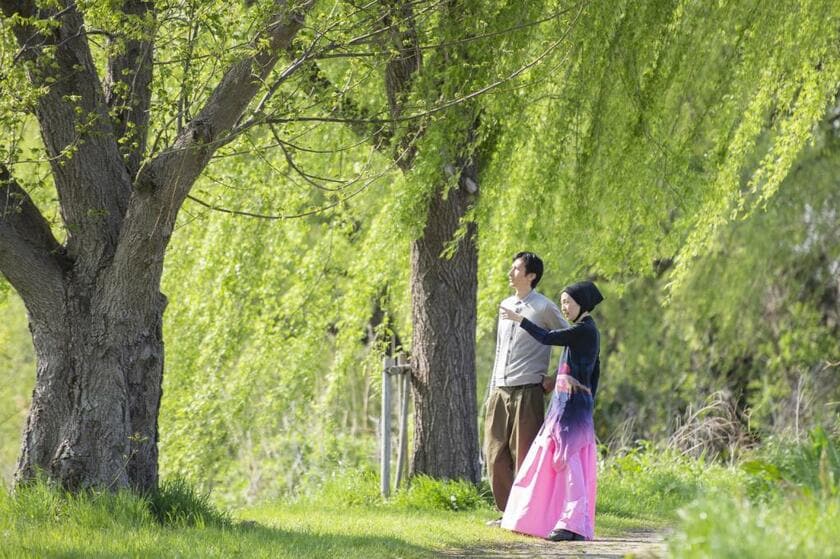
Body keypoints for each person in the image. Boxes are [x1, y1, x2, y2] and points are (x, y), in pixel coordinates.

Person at [498, 280, 603, 542]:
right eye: (563, 301)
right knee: (556, 459)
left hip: (572, 408)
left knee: (569, 462)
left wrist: (520, 319)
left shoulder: (584, 330)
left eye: (568, 302)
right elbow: (595, 372)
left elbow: (548, 337)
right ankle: (541, 517)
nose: (564, 307)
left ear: (583, 304)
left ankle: (574, 523)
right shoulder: (584, 331)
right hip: (567, 405)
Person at [485, 252, 567, 521]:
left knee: (524, 455)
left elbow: (571, 341)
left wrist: (554, 378)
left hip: (528, 390)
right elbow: (500, 350)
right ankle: (507, 512)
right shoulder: (505, 304)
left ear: (531, 275)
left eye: (516, 269)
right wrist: (491, 389)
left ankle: (524, 514)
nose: (511, 273)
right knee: (495, 454)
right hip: (500, 389)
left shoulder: (544, 307)